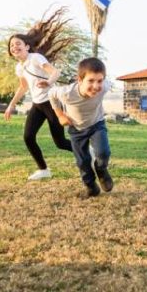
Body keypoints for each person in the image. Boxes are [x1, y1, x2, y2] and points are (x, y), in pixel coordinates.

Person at [4, 8, 74, 180]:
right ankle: (43, 169)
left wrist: (49, 82)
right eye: (12, 45)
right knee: (28, 137)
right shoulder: (19, 67)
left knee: (60, 143)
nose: (15, 47)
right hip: (37, 104)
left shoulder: (36, 58)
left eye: (18, 44)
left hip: (51, 102)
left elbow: (55, 72)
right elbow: (23, 87)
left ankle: (87, 150)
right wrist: (11, 105)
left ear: (27, 46)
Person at [49, 57, 113, 198]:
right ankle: (91, 187)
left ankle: (101, 169)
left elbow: (107, 84)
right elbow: (51, 94)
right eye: (90, 81)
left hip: (97, 124)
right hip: (76, 128)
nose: (96, 86)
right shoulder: (67, 93)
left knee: (103, 153)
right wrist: (60, 115)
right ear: (80, 79)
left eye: (99, 81)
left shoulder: (105, 86)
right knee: (82, 161)